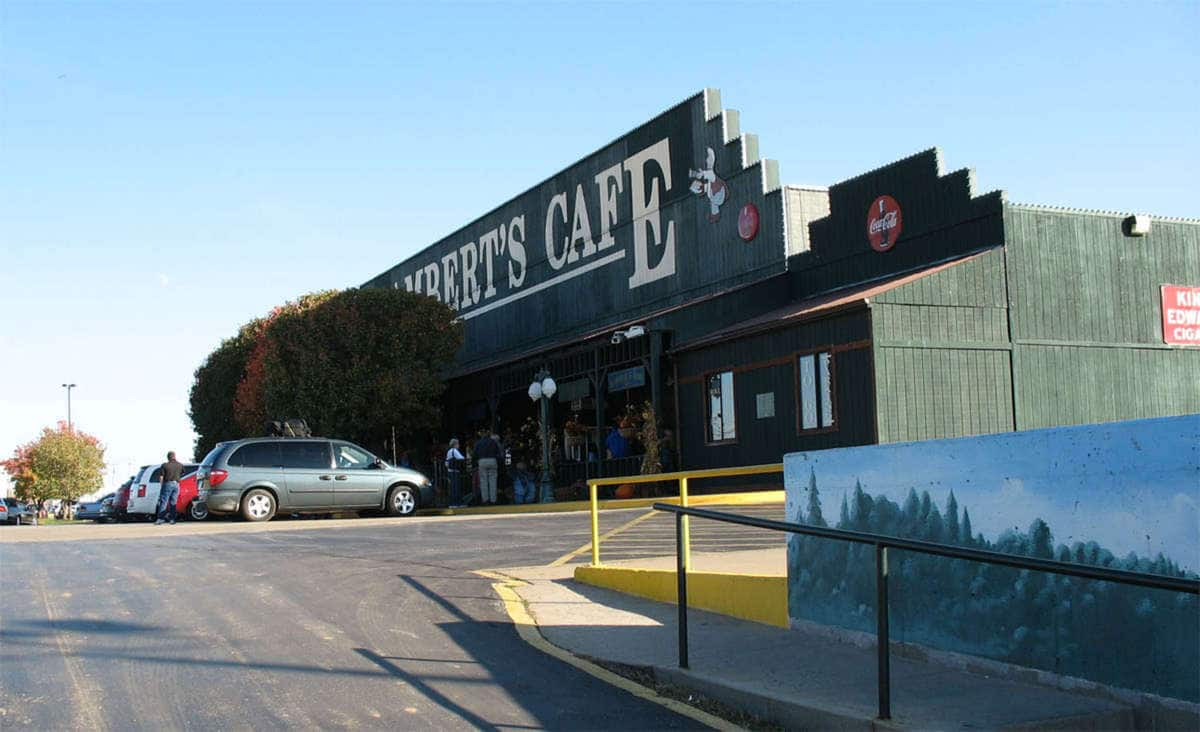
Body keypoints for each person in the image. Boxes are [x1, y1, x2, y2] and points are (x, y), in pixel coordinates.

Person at [155, 451, 185, 525]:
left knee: (164, 501)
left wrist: (162, 485)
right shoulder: (180, 465)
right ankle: (172, 519)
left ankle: (160, 519)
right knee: (173, 502)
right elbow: (182, 473)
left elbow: (161, 477)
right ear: (175, 456)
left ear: (168, 457)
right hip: (176, 485)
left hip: (167, 483)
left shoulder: (164, 465)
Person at [473, 432, 502, 505]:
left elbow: (474, 454)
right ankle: (493, 500)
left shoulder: (478, 443)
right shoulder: (493, 442)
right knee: (493, 481)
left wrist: (476, 462)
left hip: (482, 461)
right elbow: (498, 452)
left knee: (483, 482)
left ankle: (485, 500)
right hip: (492, 460)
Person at [445, 439, 466, 508]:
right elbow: (461, 458)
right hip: (455, 471)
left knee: (452, 488)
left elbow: (446, 463)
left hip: (450, 471)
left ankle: (452, 503)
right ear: (455, 444)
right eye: (458, 444)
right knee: (456, 487)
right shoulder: (455, 451)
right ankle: (457, 503)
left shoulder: (449, 451)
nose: (459, 445)